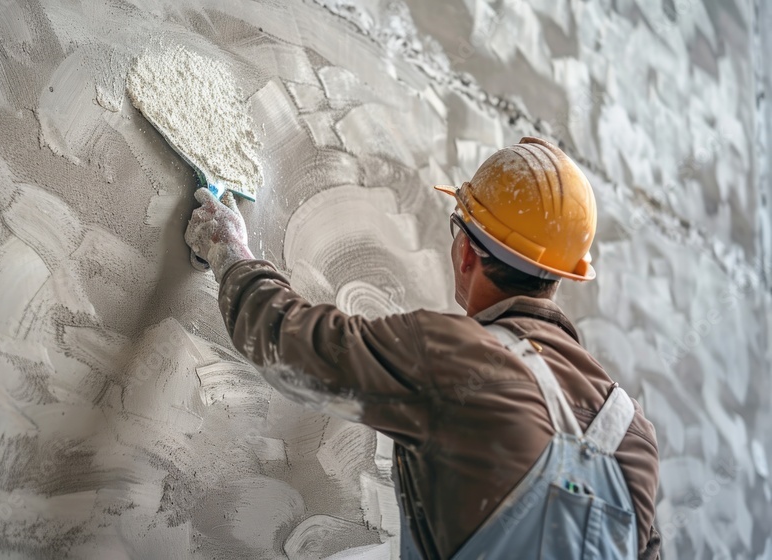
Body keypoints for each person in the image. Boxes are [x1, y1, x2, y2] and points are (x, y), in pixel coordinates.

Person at [184, 136, 660, 559]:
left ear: (468, 252)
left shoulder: (456, 355)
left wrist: (229, 250)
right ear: (560, 275)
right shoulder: (632, 433)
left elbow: (290, 341)